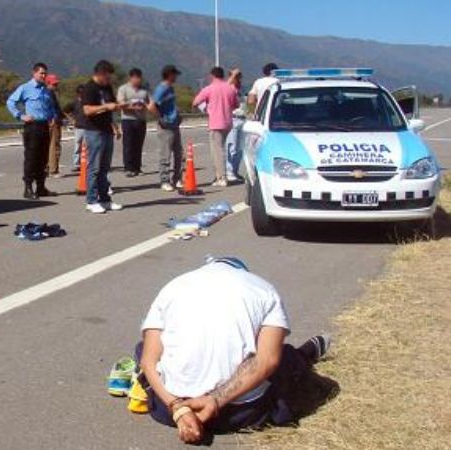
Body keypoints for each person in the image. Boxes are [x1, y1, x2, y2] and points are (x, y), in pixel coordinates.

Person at [136, 256, 331, 444]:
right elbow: (268, 361)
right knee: (282, 355)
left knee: (143, 348)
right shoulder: (264, 289)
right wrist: (214, 400)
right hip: (242, 413)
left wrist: (177, 407)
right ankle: (304, 355)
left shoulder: (172, 286)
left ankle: (302, 355)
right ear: (242, 271)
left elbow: (148, 362)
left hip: (168, 411)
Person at [7, 62, 59, 199]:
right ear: (34, 73)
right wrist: (20, 115)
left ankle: (41, 187)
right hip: (32, 127)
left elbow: (51, 106)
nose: (43, 75)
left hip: (44, 126)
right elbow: (10, 102)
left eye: (45, 73)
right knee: (31, 158)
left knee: (43, 159)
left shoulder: (46, 90)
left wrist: (52, 116)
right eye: (41, 73)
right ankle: (28, 188)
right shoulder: (25, 88)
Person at [80, 60, 125, 214]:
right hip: (94, 131)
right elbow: (87, 110)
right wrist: (105, 106)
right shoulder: (89, 88)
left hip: (107, 129)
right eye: (107, 76)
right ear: (100, 74)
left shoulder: (107, 87)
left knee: (105, 168)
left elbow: (112, 105)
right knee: (94, 167)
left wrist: (118, 108)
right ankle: (91, 200)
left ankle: (105, 199)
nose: (109, 79)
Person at [192, 67, 239, 187]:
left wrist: (207, 107)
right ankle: (220, 175)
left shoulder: (208, 89)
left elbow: (195, 102)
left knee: (217, 151)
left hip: (215, 123)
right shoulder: (230, 89)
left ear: (212, 76)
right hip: (228, 122)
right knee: (221, 148)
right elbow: (235, 105)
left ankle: (222, 177)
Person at [149, 65, 183, 192]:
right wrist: (161, 118)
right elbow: (151, 106)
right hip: (166, 126)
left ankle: (177, 179)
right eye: (175, 74)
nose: (176, 77)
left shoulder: (171, 89)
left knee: (179, 153)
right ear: (169, 74)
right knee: (165, 154)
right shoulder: (161, 89)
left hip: (175, 124)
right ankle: (164, 180)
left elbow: (171, 105)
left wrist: (177, 116)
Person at [117, 68, 150, 177]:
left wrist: (144, 106)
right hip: (128, 119)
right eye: (136, 78)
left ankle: (137, 167)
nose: (138, 80)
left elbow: (150, 103)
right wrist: (131, 106)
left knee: (138, 144)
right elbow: (120, 103)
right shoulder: (123, 89)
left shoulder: (144, 90)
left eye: (140, 78)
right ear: (131, 78)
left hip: (140, 120)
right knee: (128, 144)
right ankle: (128, 167)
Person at [225, 68, 245, 183]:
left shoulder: (239, 90)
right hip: (233, 119)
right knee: (232, 147)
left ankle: (235, 172)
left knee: (239, 149)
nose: (238, 79)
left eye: (239, 77)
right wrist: (233, 75)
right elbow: (226, 87)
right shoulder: (229, 89)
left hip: (242, 120)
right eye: (237, 77)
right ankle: (229, 172)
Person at [45, 73, 64, 178]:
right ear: (48, 83)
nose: (56, 86)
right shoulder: (50, 93)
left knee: (47, 146)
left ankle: (47, 168)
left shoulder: (46, 93)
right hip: (53, 122)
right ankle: (53, 169)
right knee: (54, 145)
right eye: (54, 84)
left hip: (48, 121)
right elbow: (53, 108)